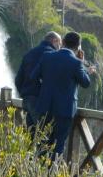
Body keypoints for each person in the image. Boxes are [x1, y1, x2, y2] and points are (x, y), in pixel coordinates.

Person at [30, 31, 96, 161]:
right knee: (58, 147)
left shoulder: (46, 57)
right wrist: (82, 64)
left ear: (63, 42)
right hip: (64, 111)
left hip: (44, 108)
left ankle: (35, 175)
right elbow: (86, 82)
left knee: (41, 144)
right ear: (78, 47)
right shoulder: (76, 63)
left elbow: (33, 77)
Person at [14, 31, 61, 136]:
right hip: (41, 102)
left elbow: (18, 79)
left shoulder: (29, 54)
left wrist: (25, 93)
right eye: (60, 44)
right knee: (45, 136)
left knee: (31, 136)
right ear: (55, 41)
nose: (59, 47)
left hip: (26, 100)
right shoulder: (52, 55)